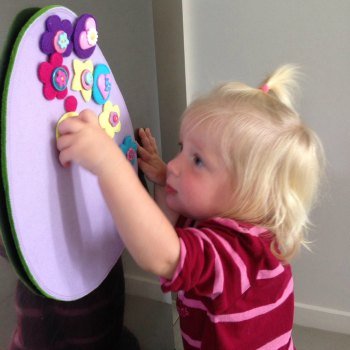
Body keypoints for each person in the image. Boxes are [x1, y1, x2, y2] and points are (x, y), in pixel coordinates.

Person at [57, 65, 324, 349]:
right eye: (181, 147)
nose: (173, 164)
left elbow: (162, 254)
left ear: (249, 190)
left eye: (197, 160)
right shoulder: (222, 221)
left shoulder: (241, 254)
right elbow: (167, 225)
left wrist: (107, 163)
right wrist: (166, 180)